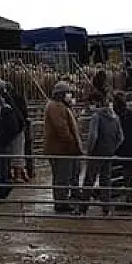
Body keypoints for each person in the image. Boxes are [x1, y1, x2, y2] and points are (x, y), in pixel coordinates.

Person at [79, 94, 124, 215]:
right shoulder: (115, 118)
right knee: (106, 180)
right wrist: (112, 148)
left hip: (96, 153)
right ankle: (106, 208)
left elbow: (93, 135)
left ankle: (83, 208)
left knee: (89, 179)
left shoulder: (96, 116)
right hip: (108, 153)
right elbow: (120, 137)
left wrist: (89, 150)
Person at [43, 81, 83, 213]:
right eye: (67, 93)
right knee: (62, 176)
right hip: (61, 149)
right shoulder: (56, 107)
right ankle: (61, 203)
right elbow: (62, 128)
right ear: (60, 94)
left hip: (63, 148)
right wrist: (71, 143)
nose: (70, 95)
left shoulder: (61, 106)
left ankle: (62, 200)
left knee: (64, 175)